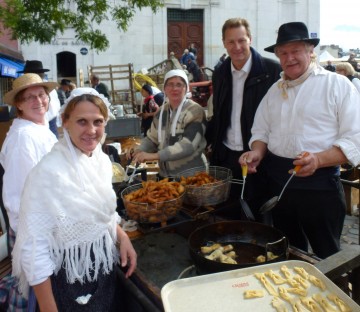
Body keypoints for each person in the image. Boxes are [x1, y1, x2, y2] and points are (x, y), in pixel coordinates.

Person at [239, 22, 360, 259]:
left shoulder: (337, 85)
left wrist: (318, 159)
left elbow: (355, 138)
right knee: (289, 251)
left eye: (296, 51)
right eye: (283, 53)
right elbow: (261, 131)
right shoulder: (274, 90)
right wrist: (256, 153)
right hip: (278, 184)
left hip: (320, 185)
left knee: (328, 255)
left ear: (310, 51)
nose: (289, 58)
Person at [12, 88, 137, 311]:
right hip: (69, 281)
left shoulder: (99, 161)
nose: (91, 130)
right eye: (82, 121)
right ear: (64, 122)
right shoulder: (47, 173)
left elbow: (102, 215)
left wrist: (121, 236)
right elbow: (34, 251)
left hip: (103, 272)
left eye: (98, 121)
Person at [205, 17, 282, 219]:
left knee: (259, 216)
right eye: (231, 42)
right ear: (224, 43)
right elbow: (220, 113)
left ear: (250, 39)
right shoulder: (220, 72)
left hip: (259, 157)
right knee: (227, 213)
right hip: (227, 156)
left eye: (241, 40)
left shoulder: (272, 71)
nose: (237, 47)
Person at [0, 73, 58, 311]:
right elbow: (20, 197)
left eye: (42, 95)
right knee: (34, 294)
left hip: (43, 226)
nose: (39, 101)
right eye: (30, 97)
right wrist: (31, 242)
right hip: (34, 231)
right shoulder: (24, 138)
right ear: (19, 105)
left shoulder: (36, 128)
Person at [131, 69, 207, 178]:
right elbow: (152, 139)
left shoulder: (195, 111)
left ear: (186, 88)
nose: (174, 88)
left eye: (179, 85)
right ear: (165, 89)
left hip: (193, 176)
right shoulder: (161, 112)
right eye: (170, 84)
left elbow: (188, 145)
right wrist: (140, 149)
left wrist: (154, 156)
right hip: (166, 176)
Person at [17, 60, 61, 138]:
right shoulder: (47, 87)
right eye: (30, 97)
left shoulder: (44, 87)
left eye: (41, 95)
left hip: (46, 123)